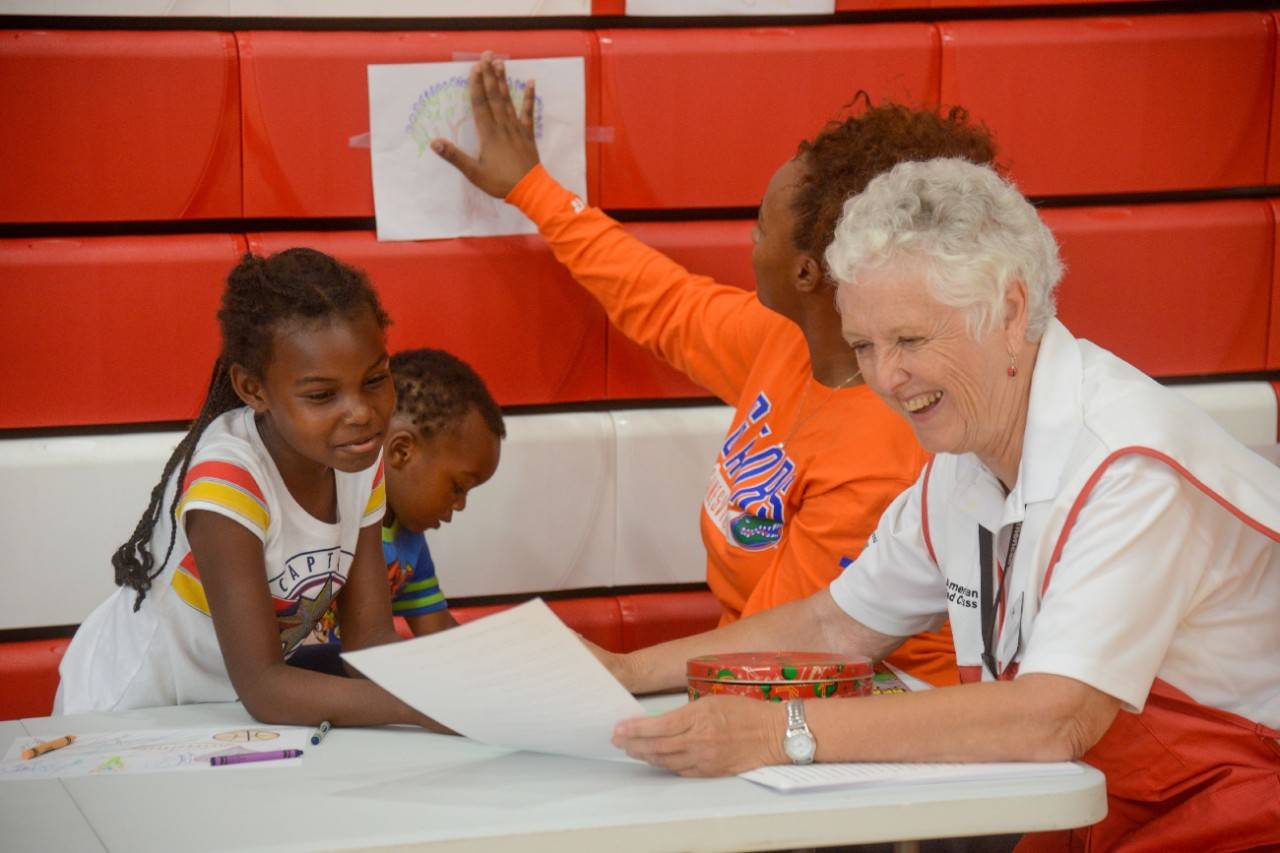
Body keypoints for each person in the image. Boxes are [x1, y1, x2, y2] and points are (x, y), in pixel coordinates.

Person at [600, 159, 1280, 850]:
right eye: (865, 345)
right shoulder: (963, 456)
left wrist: (778, 734)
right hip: (1099, 796)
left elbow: (1052, 717)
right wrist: (624, 671)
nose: (886, 378)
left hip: (1237, 803)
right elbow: (835, 625)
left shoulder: (1129, 464)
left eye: (911, 340)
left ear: (1011, 312)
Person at [432, 53, 999, 687]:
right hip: (763, 680)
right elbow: (659, 299)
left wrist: (619, 674)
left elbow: (790, 648)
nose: (747, 244)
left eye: (760, 229)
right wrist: (532, 188)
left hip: (861, 718)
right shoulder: (789, 341)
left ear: (809, 273)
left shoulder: (879, 451)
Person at [55, 248, 445, 731]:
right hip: (129, 713)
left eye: (375, 380)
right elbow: (265, 687)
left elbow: (369, 642)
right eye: (323, 395)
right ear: (252, 389)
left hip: (222, 717)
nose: (362, 412)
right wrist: (427, 706)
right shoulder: (227, 484)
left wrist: (467, 685)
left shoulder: (358, 458)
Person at [295, 349, 504, 668]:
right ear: (402, 451)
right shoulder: (324, 510)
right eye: (458, 487)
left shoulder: (410, 546)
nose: (460, 505)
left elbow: (441, 637)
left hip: (351, 696)